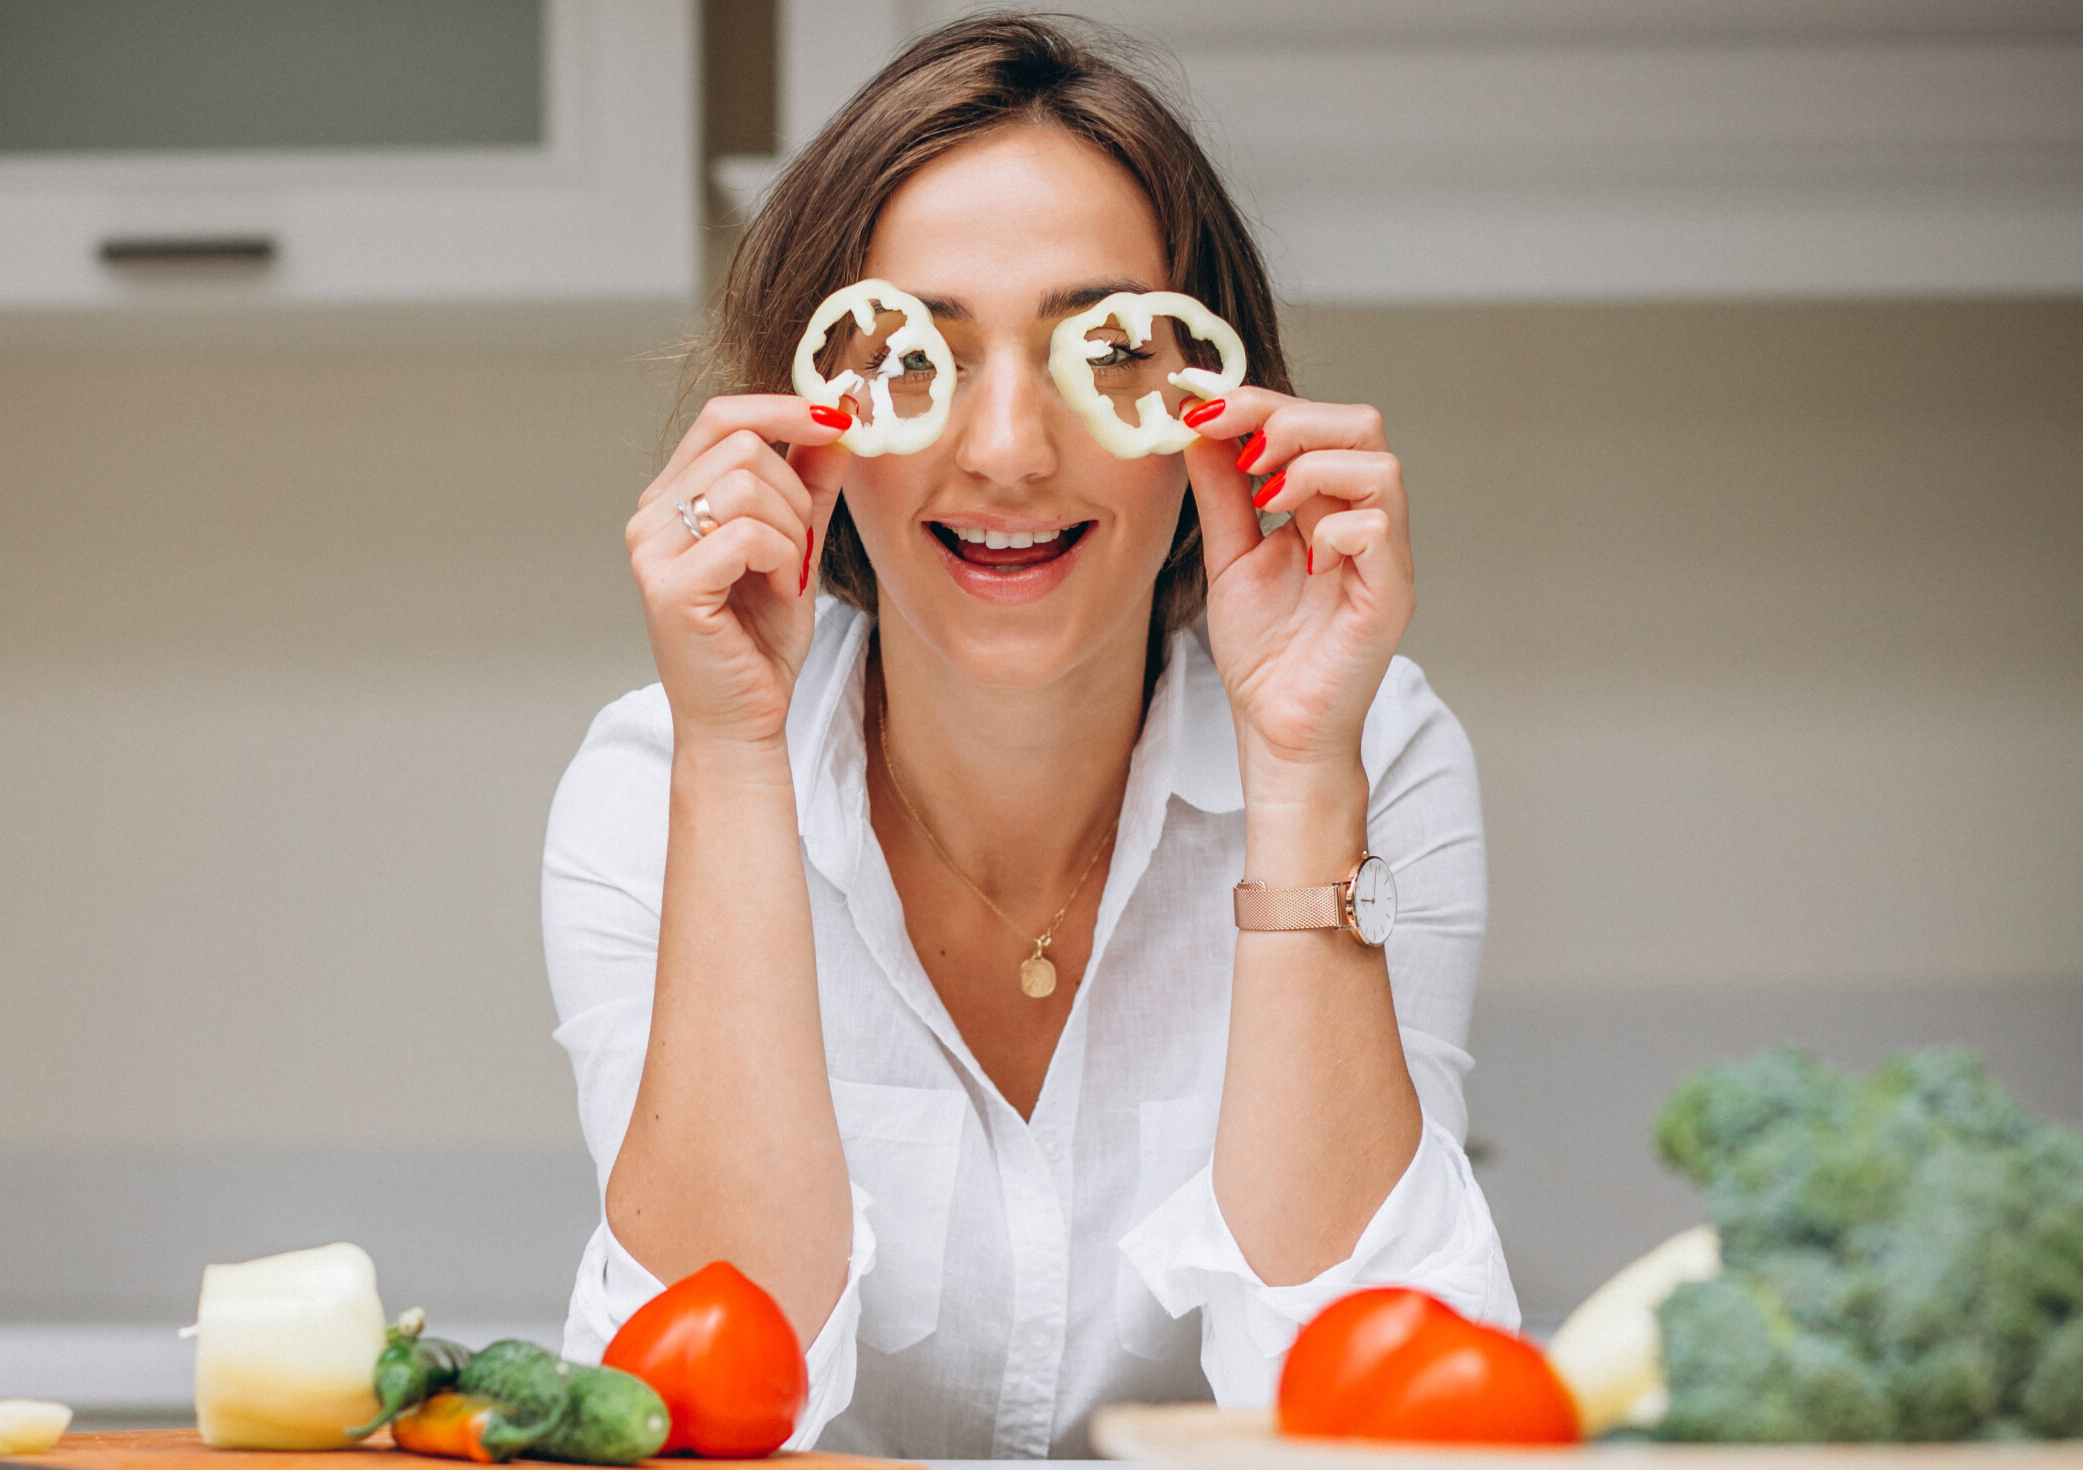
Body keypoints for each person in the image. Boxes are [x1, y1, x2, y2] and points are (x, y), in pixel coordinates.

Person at [542, 13, 1516, 1459]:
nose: (1006, 447)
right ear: (814, 422)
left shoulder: (1379, 744)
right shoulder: (652, 778)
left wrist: (1305, 771)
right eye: (915, 354)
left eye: (1103, 351)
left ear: (1206, 408)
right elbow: (697, 1400)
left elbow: (1371, 1401)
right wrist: (736, 756)